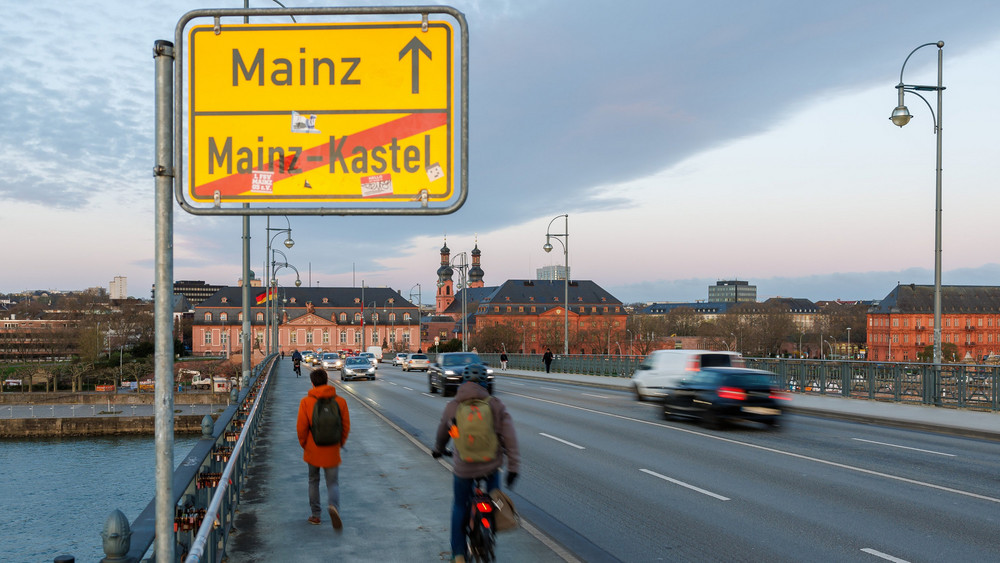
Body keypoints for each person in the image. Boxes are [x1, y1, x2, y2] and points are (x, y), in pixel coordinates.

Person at [432, 365, 520, 563]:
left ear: (463, 382)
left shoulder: (454, 406)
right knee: (496, 501)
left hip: (464, 469)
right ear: (485, 384)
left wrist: (438, 449)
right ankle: (490, 532)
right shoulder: (496, 405)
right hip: (491, 467)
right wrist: (513, 467)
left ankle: (458, 554)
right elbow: (510, 438)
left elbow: (443, 433)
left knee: (459, 506)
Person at [296, 368, 351, 530]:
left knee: (313, 481)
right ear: (327, 381)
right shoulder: (340, 401)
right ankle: (333, 506)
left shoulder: (306, 402)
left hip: (313, 448)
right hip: (332, 448)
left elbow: (301, 428)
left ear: (312, 383)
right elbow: (345, 426)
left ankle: (316, 515)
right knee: (333, 482)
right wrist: (339, 442)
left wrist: (305, 444)